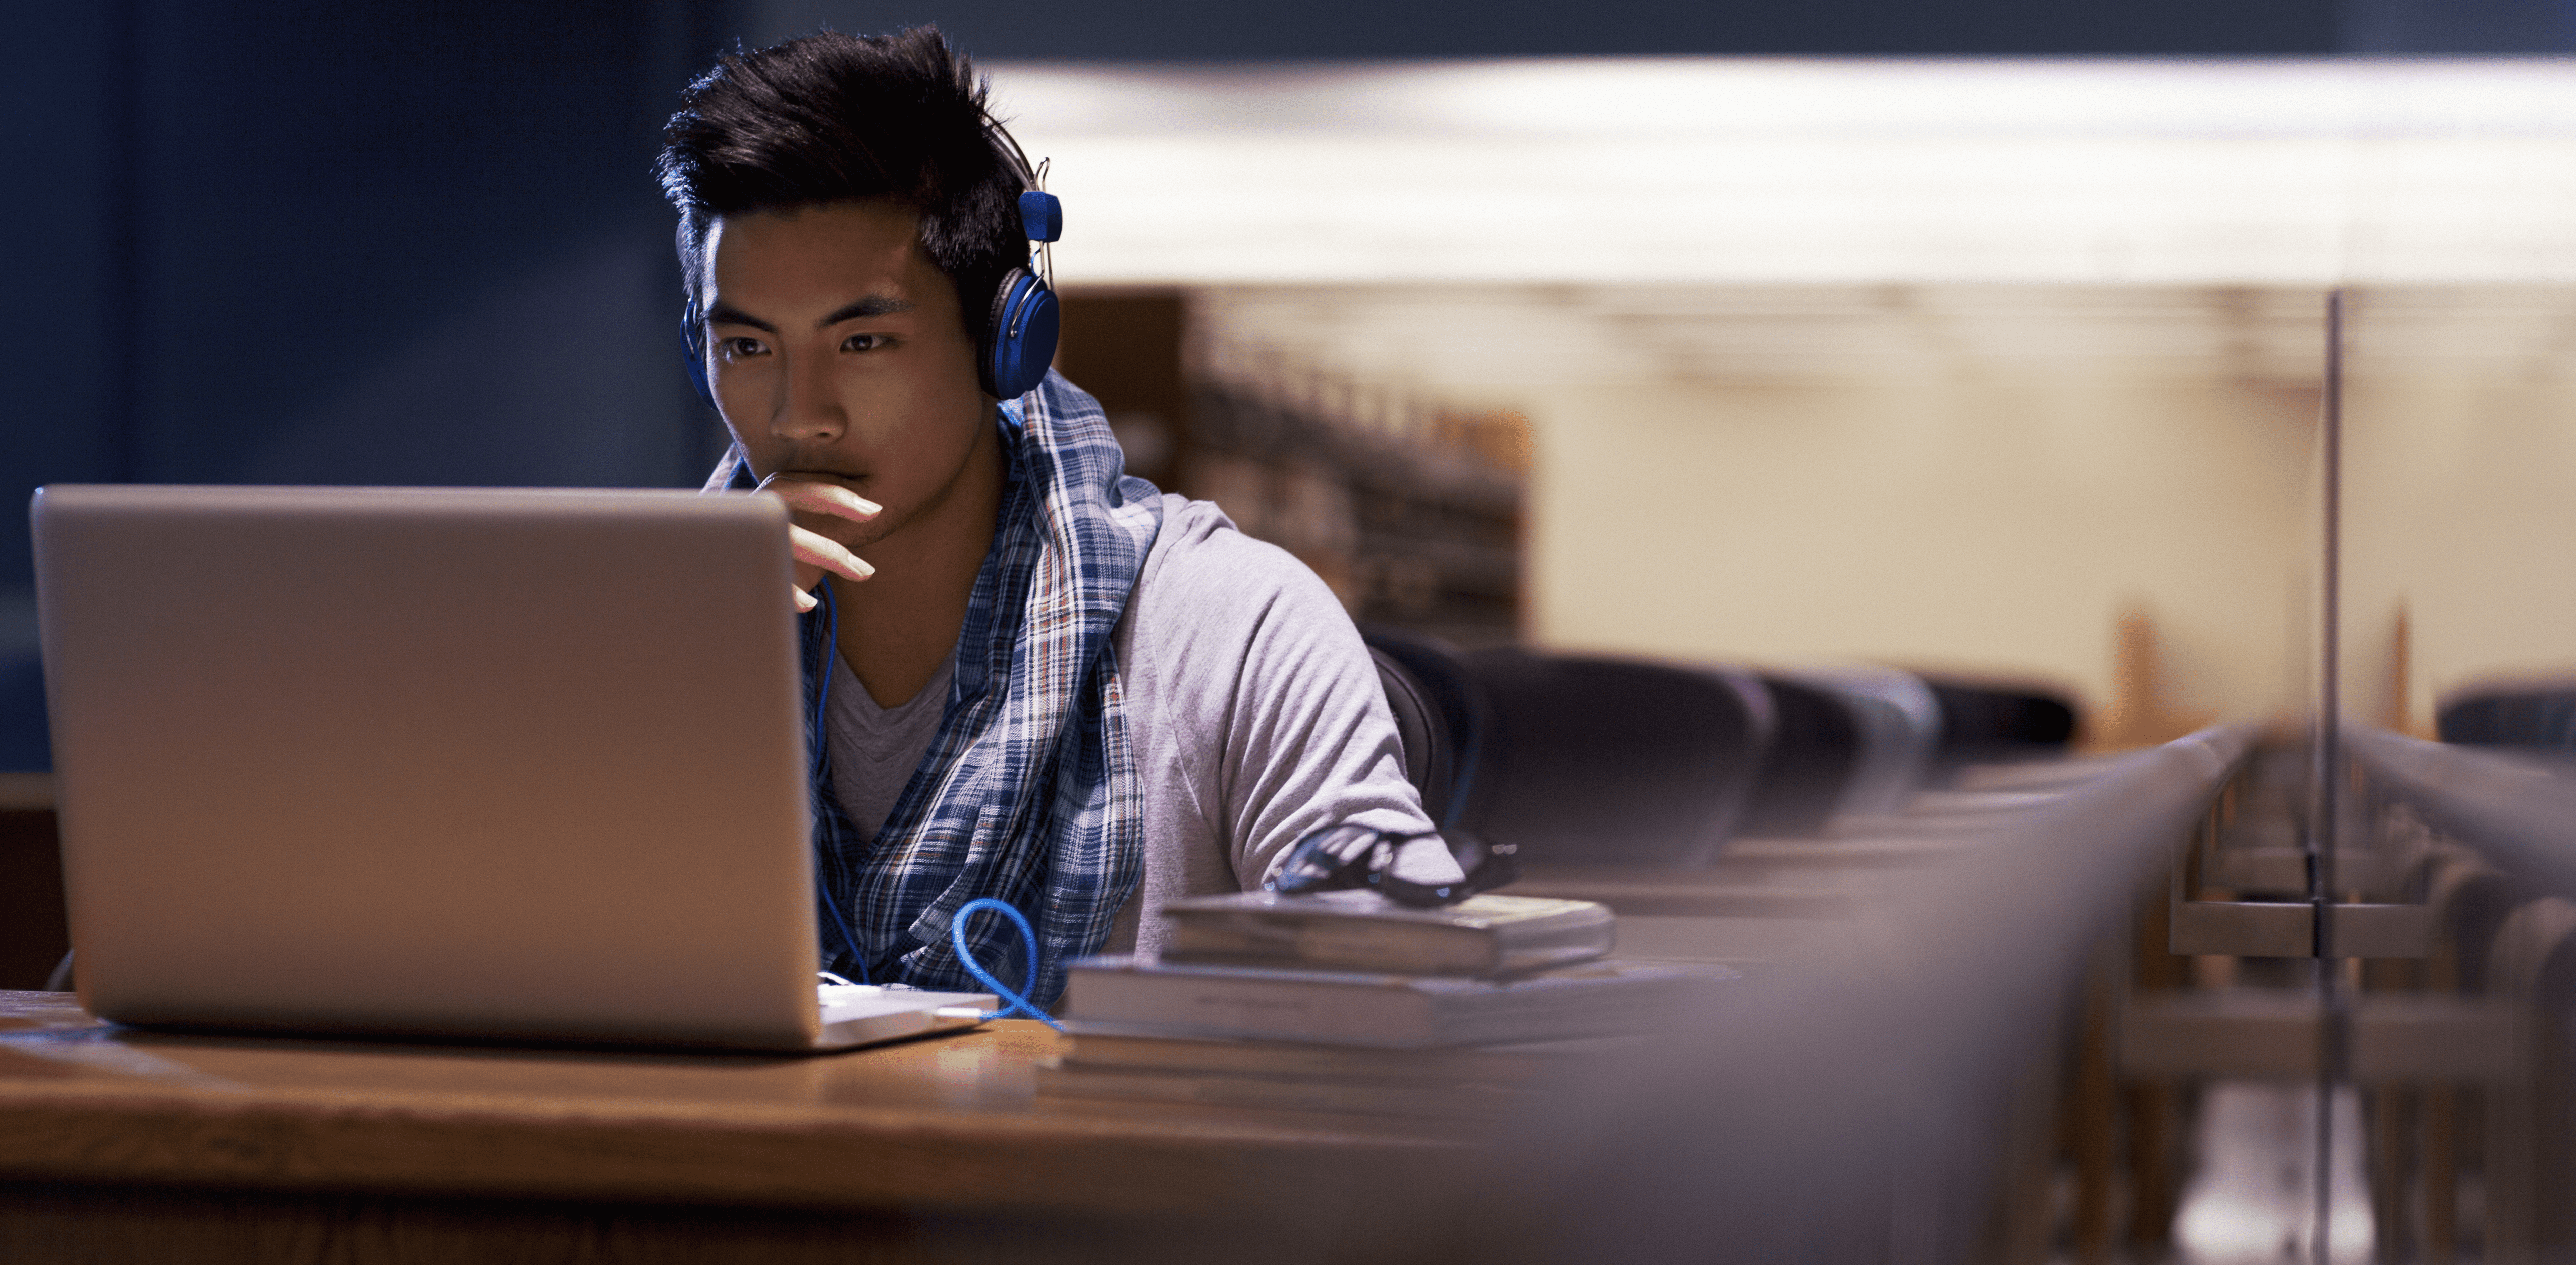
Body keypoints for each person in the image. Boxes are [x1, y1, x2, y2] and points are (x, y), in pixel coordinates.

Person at [654, 26, 1439, 1006]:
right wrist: (677, 676)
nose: (797, 413)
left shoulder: (1230, 624)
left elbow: (1401, 976)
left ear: (1003, 343)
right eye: (748, 349)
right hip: (727, 1157)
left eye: (863, 341)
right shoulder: (659, 634)